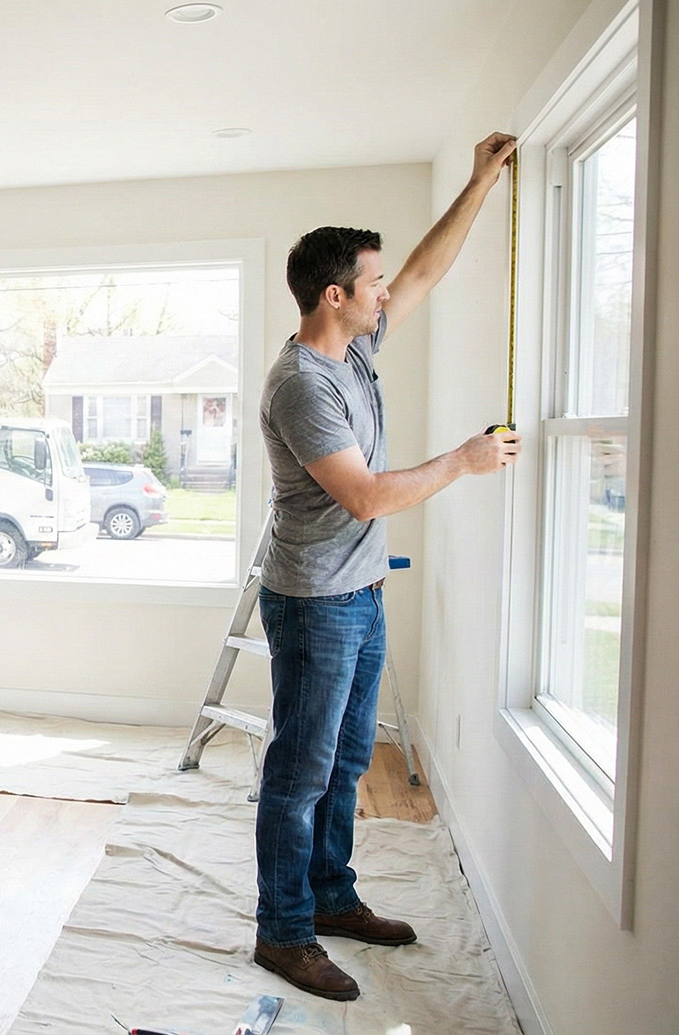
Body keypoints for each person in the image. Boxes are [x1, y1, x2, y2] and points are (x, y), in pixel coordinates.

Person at [253, 132, 523, 1001]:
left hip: (360, 593)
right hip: (315, 602)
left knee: (344, 762)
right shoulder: (303, 384)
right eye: (370, 284)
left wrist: (480, 182)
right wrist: (461, 462)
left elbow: (422, 273)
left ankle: (331, 898)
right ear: (335, 296)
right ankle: (284, 931)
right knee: (298, 772)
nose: (384, 293)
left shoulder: (354, 349)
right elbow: (363, 497)